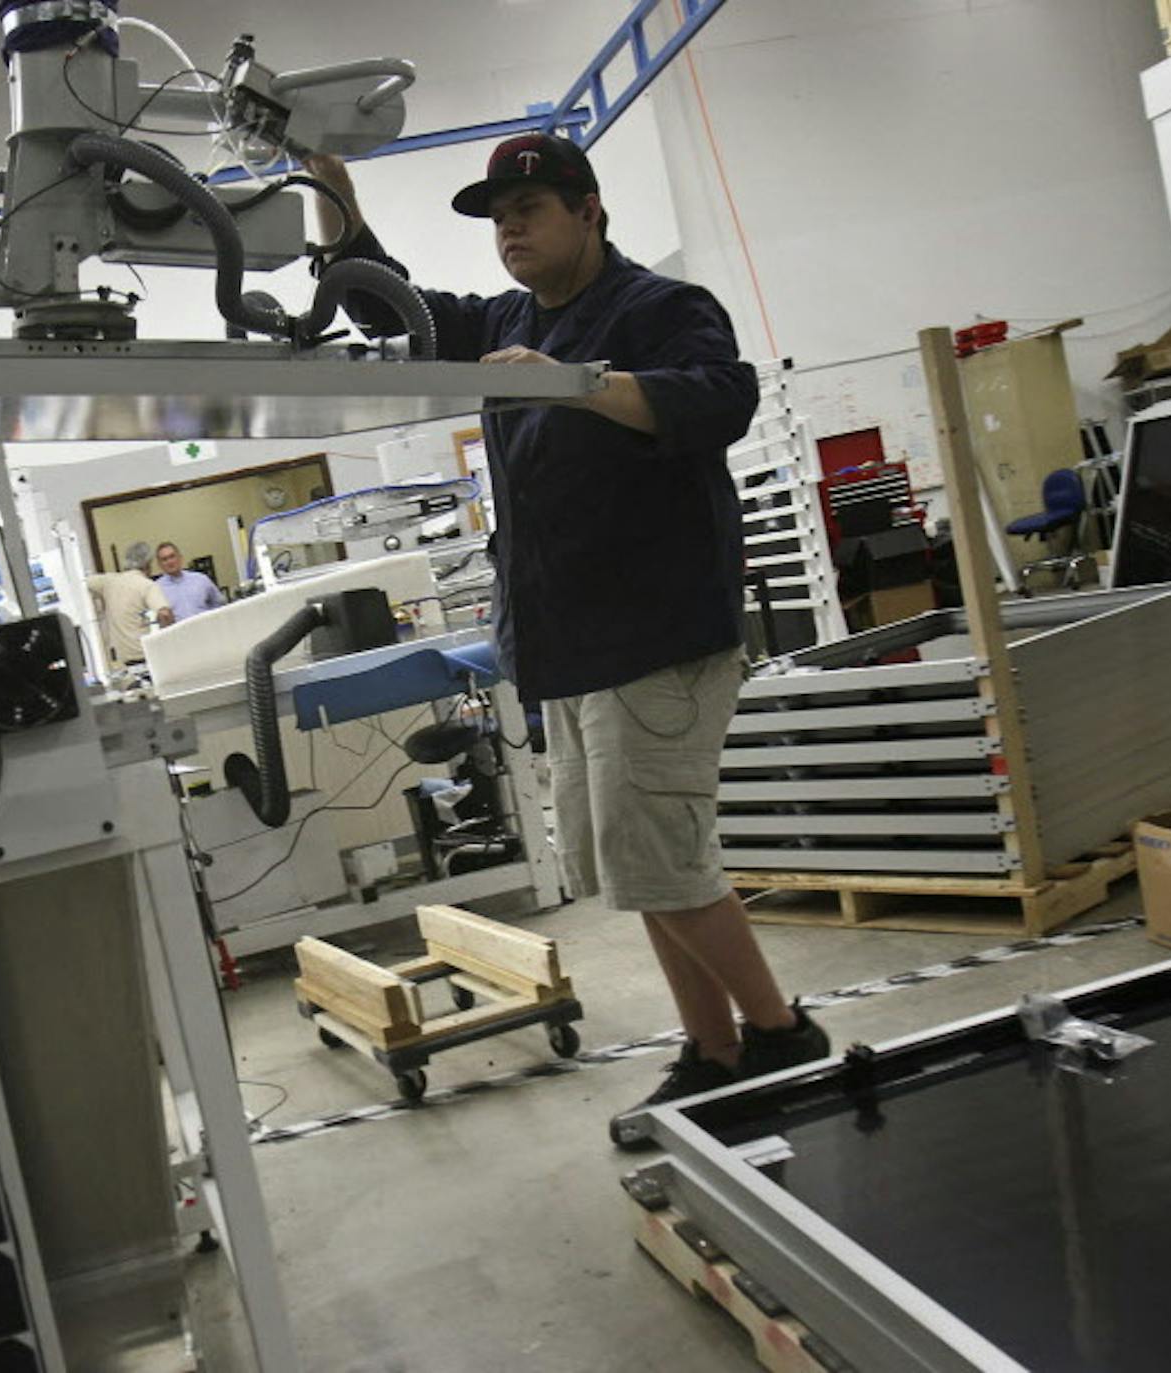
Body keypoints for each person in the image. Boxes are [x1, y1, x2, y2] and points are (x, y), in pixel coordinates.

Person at [306, 136, 828, 1150]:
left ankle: (780, 1034)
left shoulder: (659, 309)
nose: (509, 226)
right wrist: (333, 195)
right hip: (572, 643)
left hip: (659, 632)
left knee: (663, 857)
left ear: (590, 210)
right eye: (497, 213)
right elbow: (389, 308)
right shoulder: (504, 319)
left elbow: (723, 397)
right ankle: (713, 1052)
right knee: (627, 864)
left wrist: (580, 383)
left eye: (531, 206)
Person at [87, 541, 174, 669]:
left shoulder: (108, 582)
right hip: (146, 657)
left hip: (120, 661)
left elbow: (83, 583)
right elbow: (164, 614)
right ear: (147, 564)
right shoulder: (146, 585)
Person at [154, 541, 224, 622]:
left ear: (180, 558)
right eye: (164, 559)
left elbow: (219, 604)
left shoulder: (201, 579)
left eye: (172, 556)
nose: (170, 562)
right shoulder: (156, 590)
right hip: (179, 633)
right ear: (159, 564)